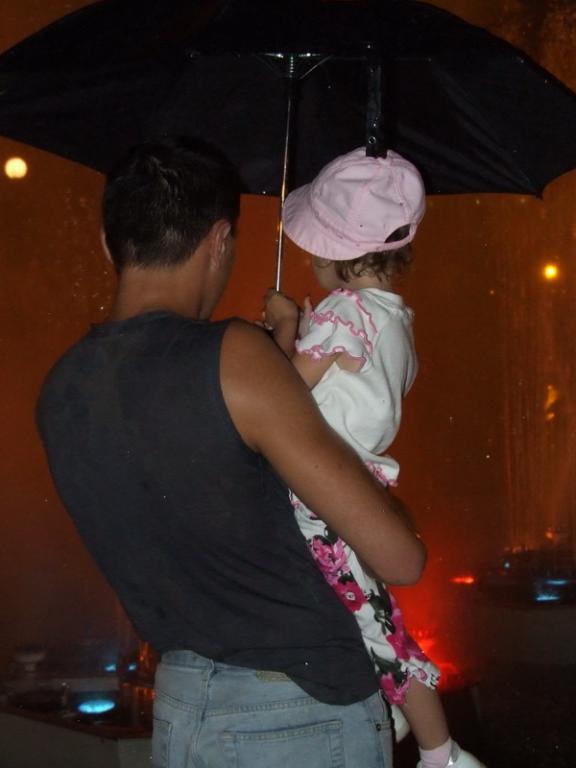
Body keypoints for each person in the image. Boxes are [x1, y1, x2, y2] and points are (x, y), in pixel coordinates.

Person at [36, 137, 426, 768]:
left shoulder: (62, 389)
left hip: (183, 706)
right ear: (219, 241)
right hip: (301, 711)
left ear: (109, 245)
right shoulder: (235, 357)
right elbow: (399, 559)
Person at [264, 148, 486, 768]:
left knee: (377, 627)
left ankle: (443, 754)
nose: (309, 258)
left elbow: (282, 394)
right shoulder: (395, 319)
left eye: (316, 248)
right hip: (358, 484)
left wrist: (284, 328)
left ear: (346, 253)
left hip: (322, 493)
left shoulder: (345, 313)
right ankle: (391, 708)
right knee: (366, 606)